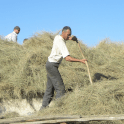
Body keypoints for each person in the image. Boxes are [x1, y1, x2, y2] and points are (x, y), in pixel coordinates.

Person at [40, 26, 87, 110]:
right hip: (52, 66)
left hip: (49, 64)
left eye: (70, 35)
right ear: (63, 32)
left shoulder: (57, 37)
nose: (69, 36)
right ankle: (57, 110)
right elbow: (67, 58)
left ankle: (42, 109)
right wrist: (81, 60)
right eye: (68, 34)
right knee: (61, 89)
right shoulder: (61, 42)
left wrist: (72, 38)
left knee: (49, 90)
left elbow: (66, 38)